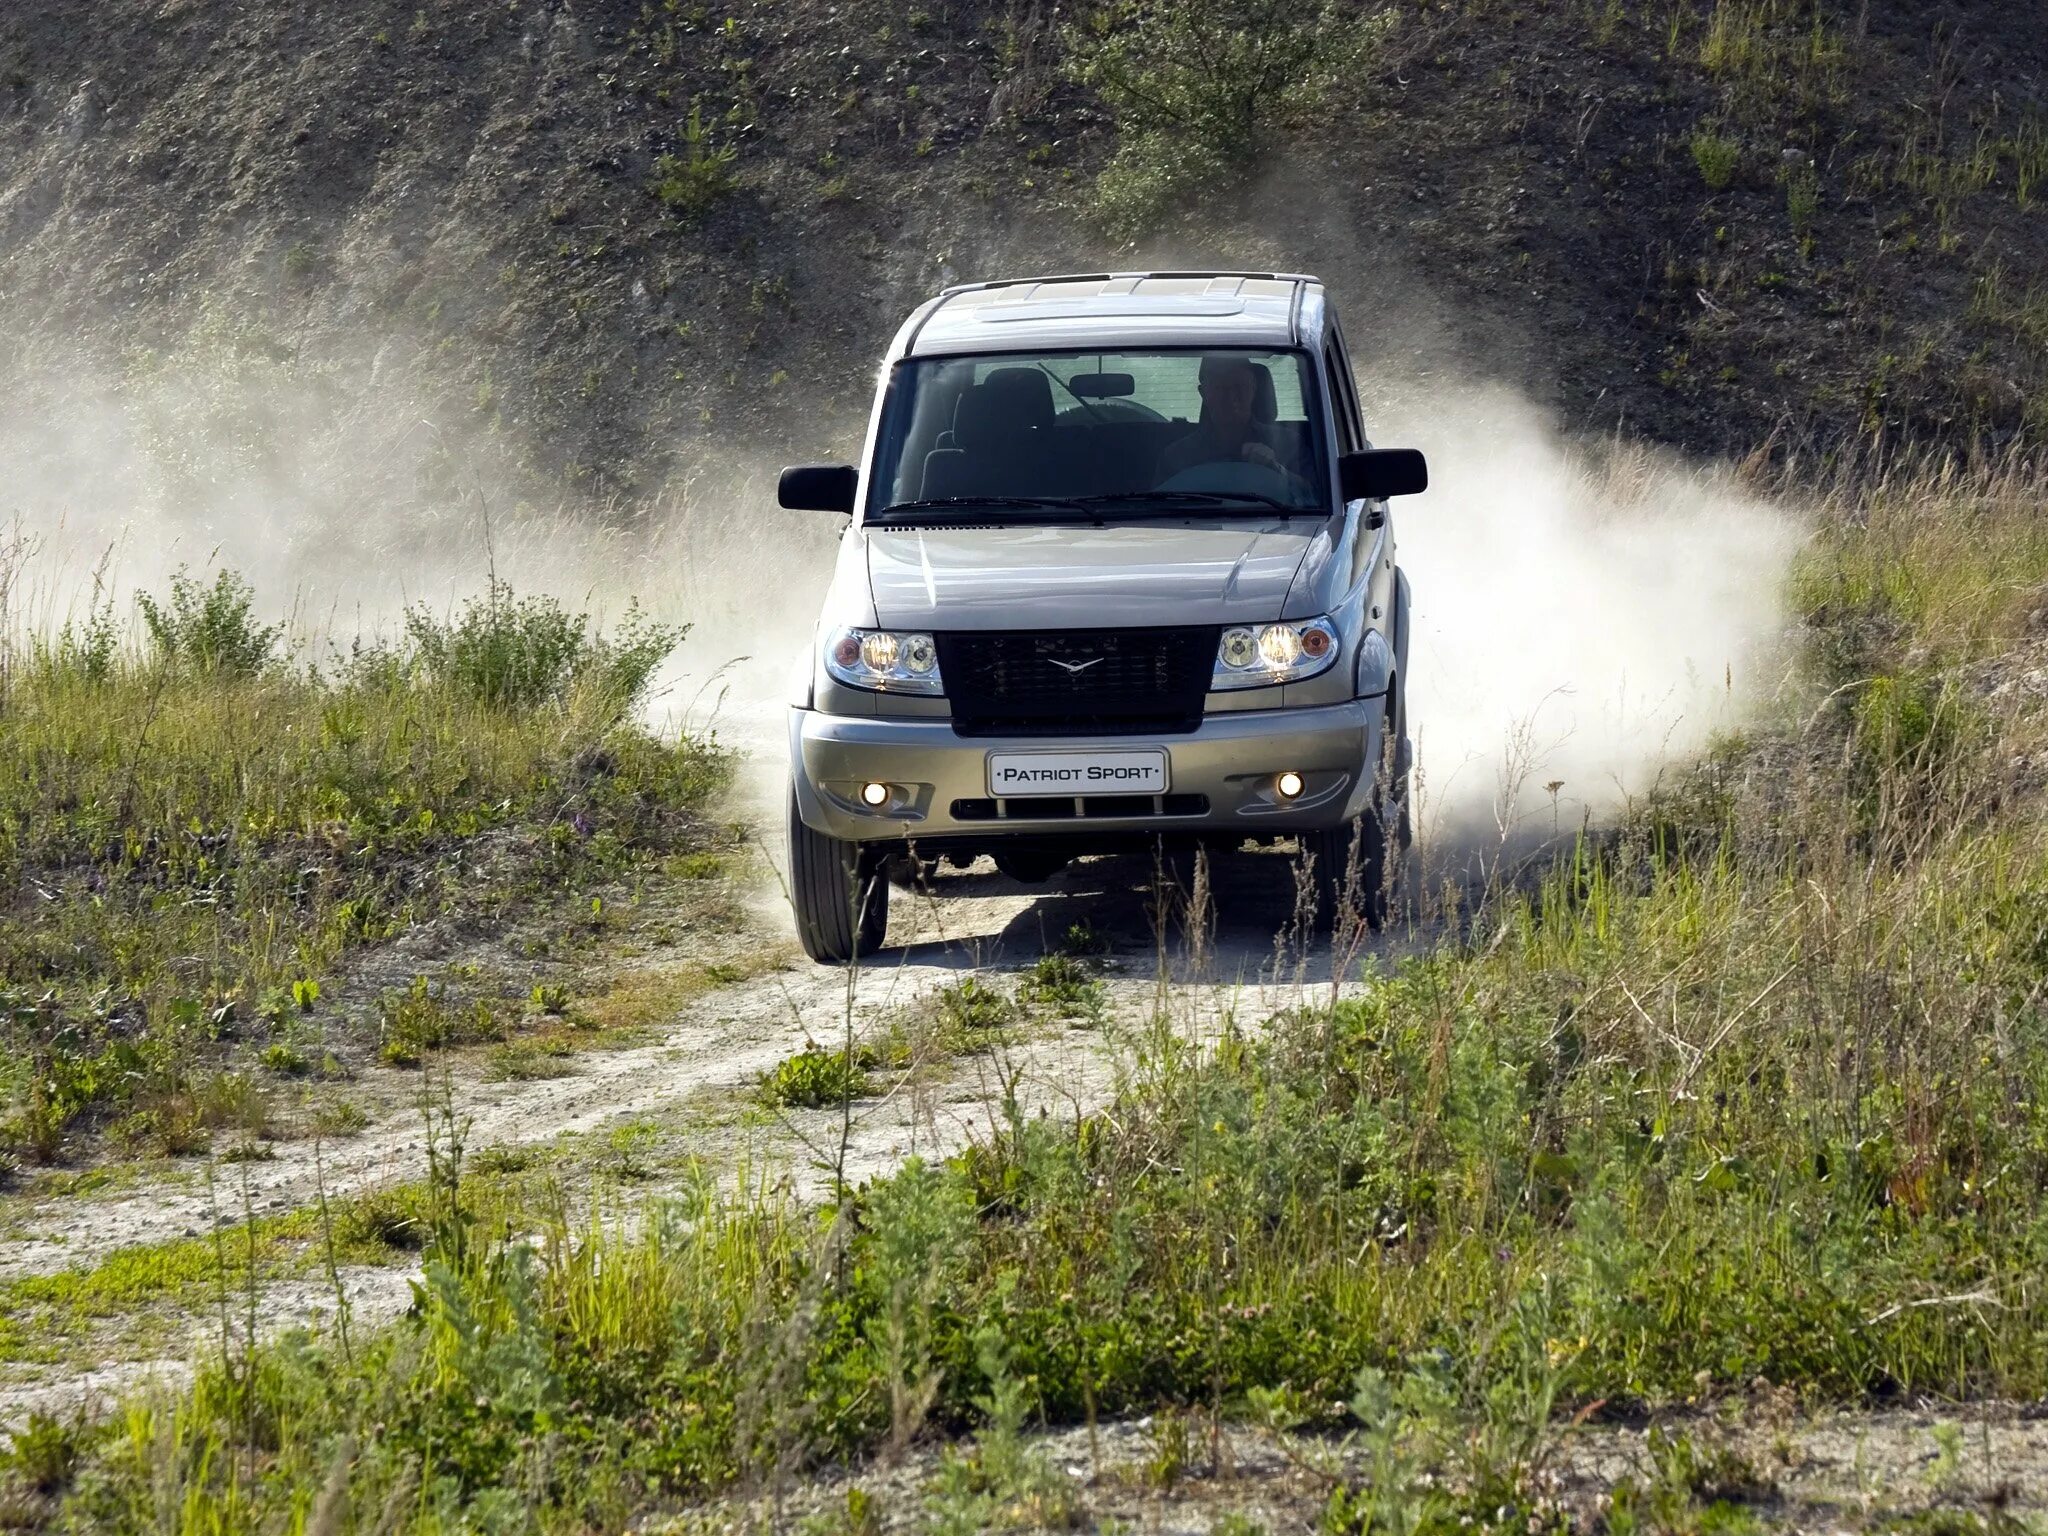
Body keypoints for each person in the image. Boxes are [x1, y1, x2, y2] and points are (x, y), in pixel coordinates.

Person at [1154, 353, 1283, 483]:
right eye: (1220, 388)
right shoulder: (1177, 456)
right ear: (1203, 393)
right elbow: (1158, 501)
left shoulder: (1287, 444)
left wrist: (1276, 468)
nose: (1232, 397)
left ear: (1254, 388)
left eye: (1239, 387)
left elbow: (1303, 491)